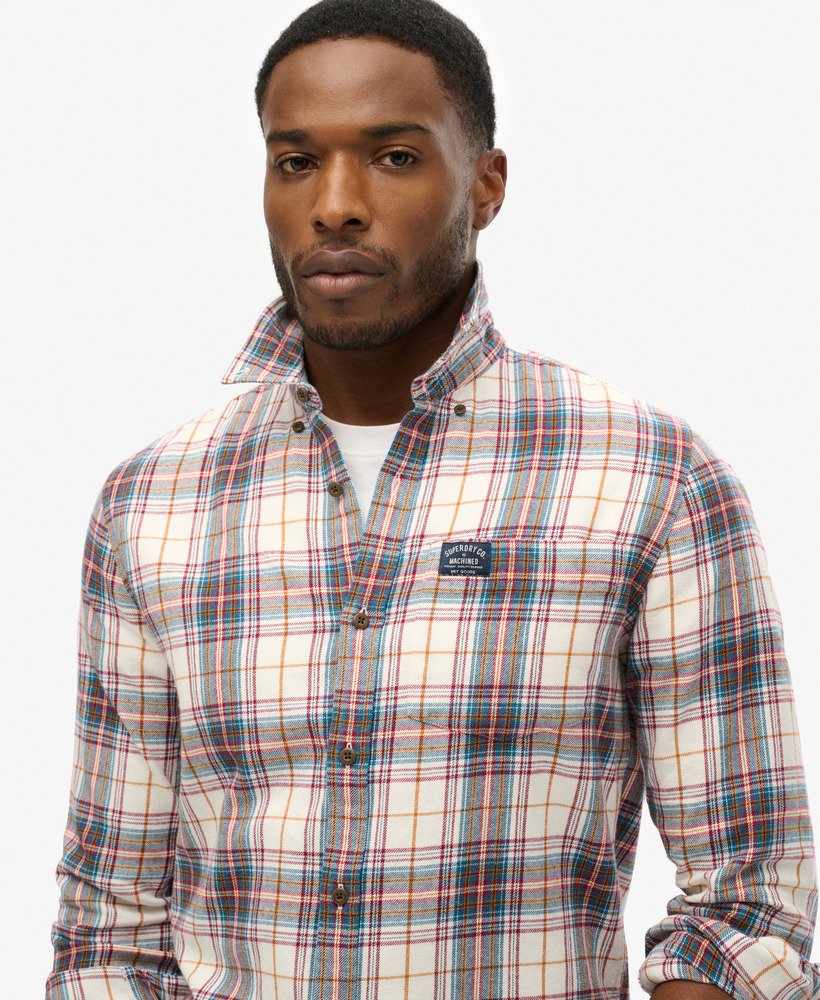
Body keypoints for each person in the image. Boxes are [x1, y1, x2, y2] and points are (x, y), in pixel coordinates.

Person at [45, 1, 819, 998]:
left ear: (486, 185)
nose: (335, 205)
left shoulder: (650, 479)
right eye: (295, 161)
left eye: (394, 157)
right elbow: (110, 928)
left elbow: (747, 904)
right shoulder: (150, 503)